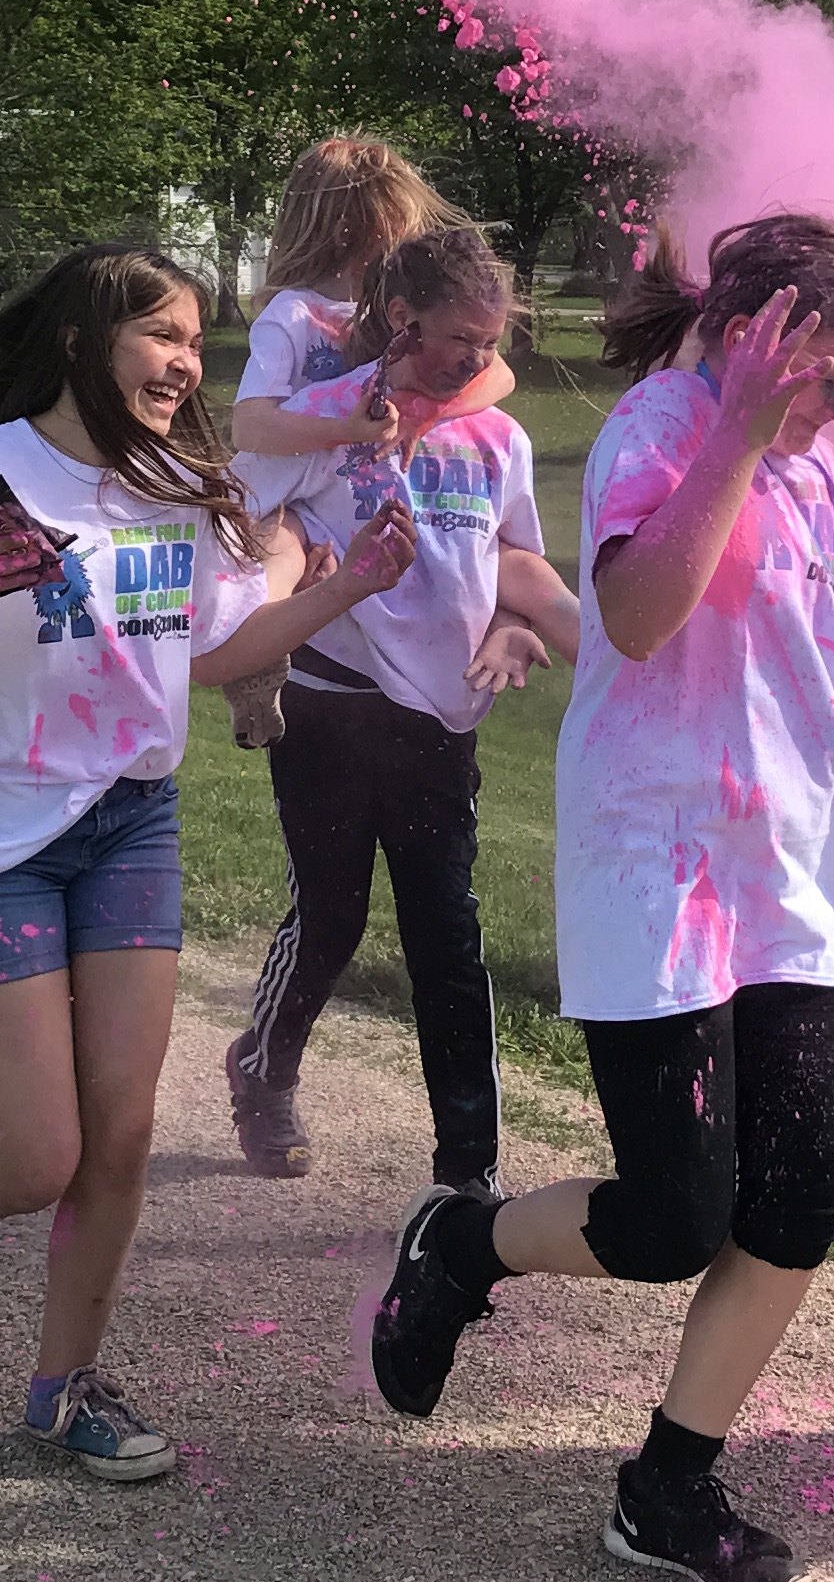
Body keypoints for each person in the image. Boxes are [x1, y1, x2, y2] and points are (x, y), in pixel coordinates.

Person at [367, 215, 834, 1582]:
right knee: (674, 1216)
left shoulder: (817, 476)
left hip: (795, 880)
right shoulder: (662, 431)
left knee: (800, 1200)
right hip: (660, 872)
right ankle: (460, 1243)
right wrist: (741, 437)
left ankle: (667, 1484)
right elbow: (633, 618)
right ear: (757, 342)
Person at [0, 244, 417, 1487]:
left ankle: (63, 1390)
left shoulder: (180, 485)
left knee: (123, 1135)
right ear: (84, 345)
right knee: (39, 1151)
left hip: (133, 823)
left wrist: (347, 584)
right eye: (160, 335)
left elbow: (211, 650)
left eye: (196, 339)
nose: (185, 362)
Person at [223, 219, 583, 1192]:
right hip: (331, 714)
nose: (478, 357)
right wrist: (287, 574)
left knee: (449, 948)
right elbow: (249, 509)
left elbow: (511, 555)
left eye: (490, 340)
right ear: (398, 316)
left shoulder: (499, 436)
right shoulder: (330, 418)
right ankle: (263, 1070)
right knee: (331, 920)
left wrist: (519, 628)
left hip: (441, 727)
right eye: (460, 336)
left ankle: (467, 1175)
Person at [220, 135, 521, 750]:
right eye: (395, 222)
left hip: (349, 486)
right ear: (349, 227)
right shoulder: (295, 315)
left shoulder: (387, 312)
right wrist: (349, 429)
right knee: (282, 550)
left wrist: (421, 420)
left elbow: (501, 376)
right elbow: (249, 426)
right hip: (291, 489)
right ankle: (254, 653)